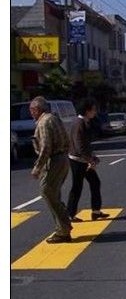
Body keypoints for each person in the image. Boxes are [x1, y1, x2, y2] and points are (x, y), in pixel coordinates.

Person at [30, 96, 72, 243]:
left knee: (47, 191)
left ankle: (63, 229)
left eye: (32, 110)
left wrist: (38, 167)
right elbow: (67, 139)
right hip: (62, 159)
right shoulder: (54, 118)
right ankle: (63, 227)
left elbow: (46, 147)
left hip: (53, 160)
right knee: (54, 193)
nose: (31, 113)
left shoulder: (44, 122)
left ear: (36, 110)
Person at [67, 99, 109, 222]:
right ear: (87, 111)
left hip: (82, 159)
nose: (95, 112)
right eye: (93, 109)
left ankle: (96, 211)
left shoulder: (84, 122)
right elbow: (79, 145)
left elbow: (85, 145)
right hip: (77, 160)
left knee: (95, 182)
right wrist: (89, 160)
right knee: (77, 187)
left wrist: (92, 158)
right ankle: (70, 214)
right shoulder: (79, 123)